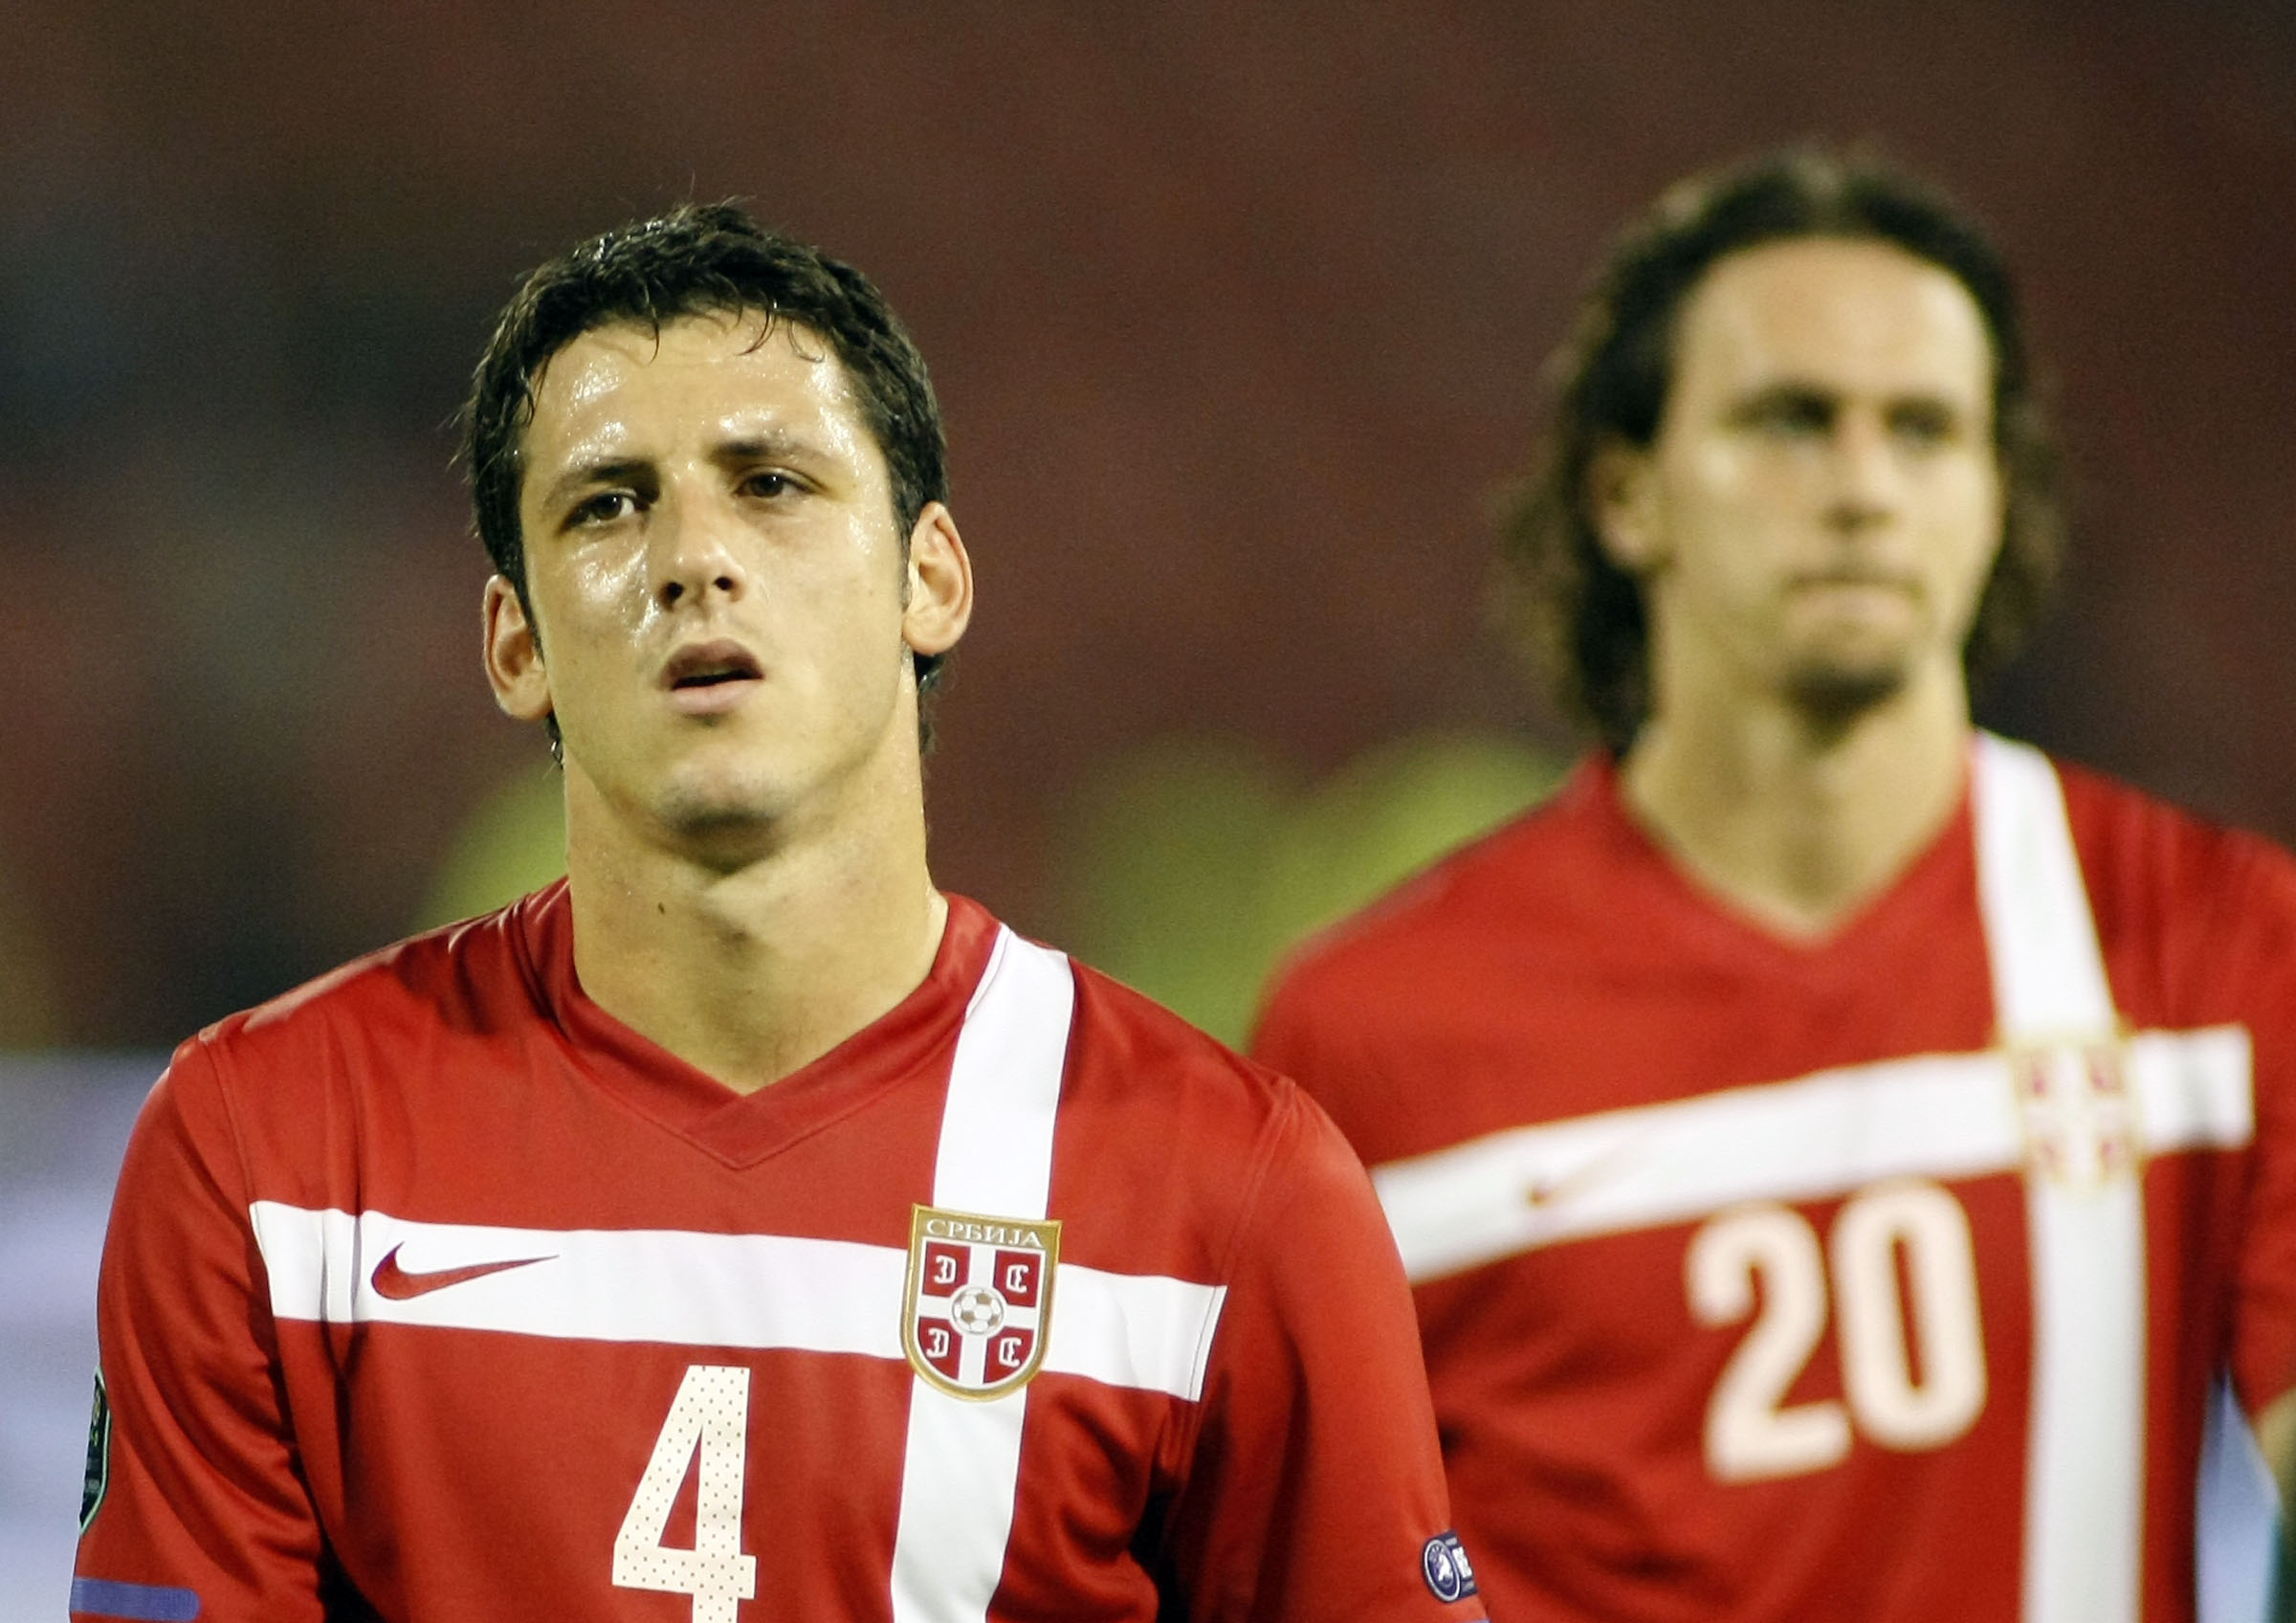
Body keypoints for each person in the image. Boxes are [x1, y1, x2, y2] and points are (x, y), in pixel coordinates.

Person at [72, 203, 1485, 1623]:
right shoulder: (269, 1161)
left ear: (931, 578)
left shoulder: (1230, 1199)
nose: (695, 556)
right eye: (608, 504)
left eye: (772, 483)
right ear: (515, 643)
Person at [1253, 149, 2296, 1623]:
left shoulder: (2221, 951)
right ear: (1626, 495)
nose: (1863, 487)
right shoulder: (1374, 1042)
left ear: (1998, 494)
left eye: (1925, 429)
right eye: (1790, 421)